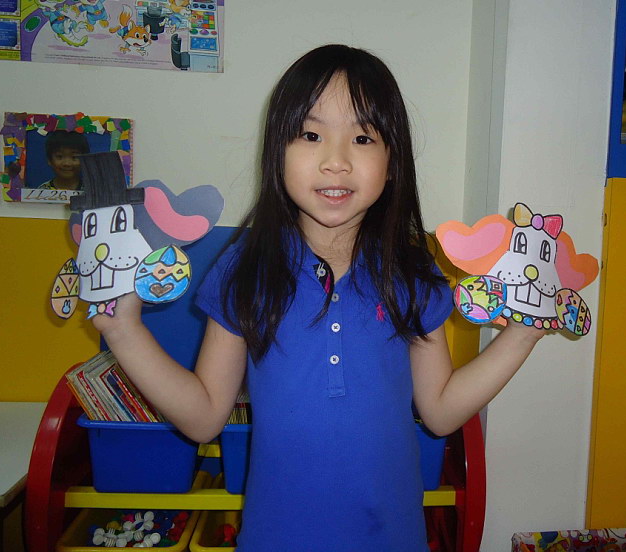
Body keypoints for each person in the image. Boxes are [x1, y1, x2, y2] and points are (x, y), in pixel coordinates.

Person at [92, 44, 545, 551]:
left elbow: (440, 410)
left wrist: (522, 334)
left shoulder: (412, 272)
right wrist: (124, 331)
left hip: (392, 538)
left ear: (393, 162)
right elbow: (203, 417)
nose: (336, 162)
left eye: (363, 138)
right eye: (310, 135)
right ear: (277, 152)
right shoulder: (247, 269)